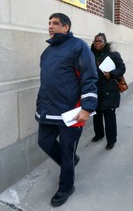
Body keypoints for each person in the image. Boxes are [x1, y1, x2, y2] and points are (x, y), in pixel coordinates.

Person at [35, 13, 98, 207]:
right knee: (44, 141)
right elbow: (46, 82)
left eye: (55, 23)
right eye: (49, 23)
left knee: (67, 150)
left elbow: (89, 76)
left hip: (71, 111)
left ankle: (66, 187)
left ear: (66, 27)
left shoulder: (79, 46)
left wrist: (87, 107)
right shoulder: (47, 52)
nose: (50, 26)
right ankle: (69, 162)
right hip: (48, 109)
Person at [90, 33, 126, 150]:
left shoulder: (113, 55)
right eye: (96, 41)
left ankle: (111, 140)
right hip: (96, 90)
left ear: (105, 42)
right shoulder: (90, 55)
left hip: (109, 90)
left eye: (100, 41)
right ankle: (99, 134)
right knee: (97, 115)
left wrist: (111, 74)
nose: (97, 43)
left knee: (109, 115)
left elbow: (122, 68)